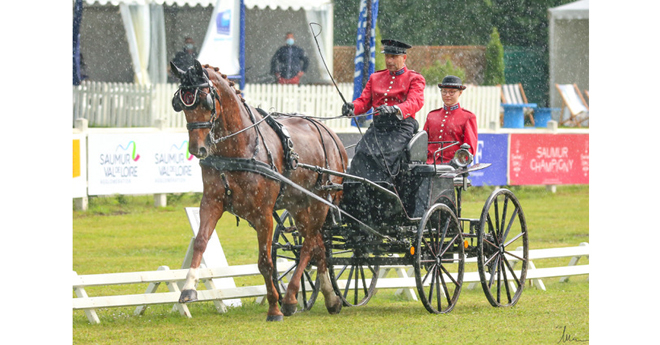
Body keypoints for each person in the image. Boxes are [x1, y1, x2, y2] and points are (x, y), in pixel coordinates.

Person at [341, 39, 426, 182]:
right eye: (387, 56)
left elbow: (415, 101)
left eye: (393, 57)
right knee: (361, 153)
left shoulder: (414, 78)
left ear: (404, 58)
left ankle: (382, 189)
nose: (389, 60)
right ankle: (355, 189)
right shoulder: (376, 78)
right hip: (379, 127)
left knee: (385, 156)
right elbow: (364, 101)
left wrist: (395, 109)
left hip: (401, 127)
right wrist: (352, 108)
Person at [423, 75, 478, 165]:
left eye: (452, 92)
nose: (447, 95)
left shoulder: (467, 117)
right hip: (429, 165)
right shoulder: (432, 115)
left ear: (460, 93)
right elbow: (423, 142)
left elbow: (470, 148)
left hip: (453, 166)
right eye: (444, 92)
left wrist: (458, 161)